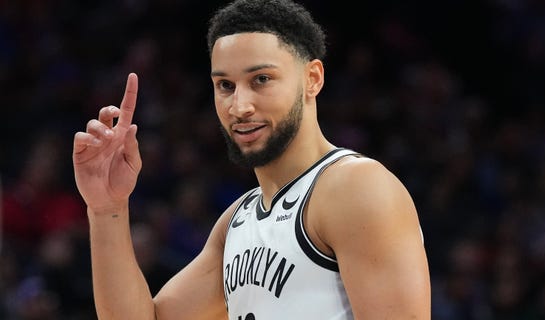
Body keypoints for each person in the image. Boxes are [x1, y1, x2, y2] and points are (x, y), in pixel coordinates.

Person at [72, 0, 431, 319]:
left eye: (261, 79)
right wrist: (107, 210)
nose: (239, 106)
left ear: (312, 79)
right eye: (225, 85)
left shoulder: (355, 187)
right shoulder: (237, 222)